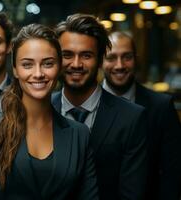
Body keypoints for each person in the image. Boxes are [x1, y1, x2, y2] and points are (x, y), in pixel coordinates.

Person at [0, 23, 99, 200]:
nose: (38, 73)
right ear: (15, 69)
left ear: (59, 66)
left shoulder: (79, 134)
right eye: (27, 64)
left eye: (47, 63)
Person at [52, 14, 147, 200]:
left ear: (101, 58)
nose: (76, 64)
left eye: (86, 55)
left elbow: (132, 194)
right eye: (67, 55)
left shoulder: (132, 118)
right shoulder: (39, 110)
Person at [102, 31, 181, 200]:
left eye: (127, 57)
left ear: (136, 59)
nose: (119, 65)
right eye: (111, 58)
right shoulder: (87, 104)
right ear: (101, 61)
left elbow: (172, 173)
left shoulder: (162, 107)